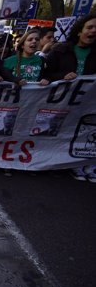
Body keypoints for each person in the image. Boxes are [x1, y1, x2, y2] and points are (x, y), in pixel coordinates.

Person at [45, 14, 96, 182]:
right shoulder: (61, 50)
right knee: (60, 131)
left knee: (86, 132)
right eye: (89, 27)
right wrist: (63, 76)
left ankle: (83, 164)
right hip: (62, 101)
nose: (93, 31)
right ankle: (56, 161)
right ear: (79, 31)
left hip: (88, 103)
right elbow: (46, 74)